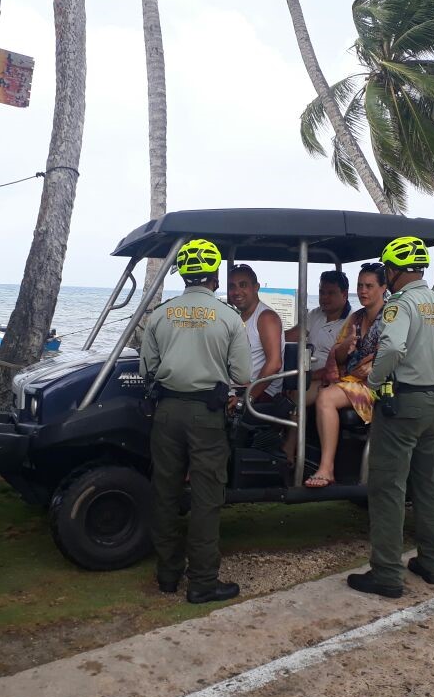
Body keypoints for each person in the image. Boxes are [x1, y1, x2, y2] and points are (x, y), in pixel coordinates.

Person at [347, 237, 434, 598]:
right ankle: (431, 563)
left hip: (401, 404)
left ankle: (387, 575)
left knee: (388, 488)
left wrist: (374, 381)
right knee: (427, 485)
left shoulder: (399, 306)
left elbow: (391, 347)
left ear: (391, 271)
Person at [140, 239, 252, 604]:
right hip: (207, 414)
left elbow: (148, 369)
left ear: (184, 274)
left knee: (165, 493)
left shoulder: (161, 313)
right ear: (215, 276)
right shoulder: (229, 317)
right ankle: (203, 582)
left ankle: (168, 575)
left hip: (167, 411)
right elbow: (243, 374)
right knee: (206, 498)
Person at [304, 263, 387, 488]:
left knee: (326, 397)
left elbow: (396, 353)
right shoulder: (357, 318)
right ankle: (292, 453)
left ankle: (326, 468)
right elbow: (338, 356)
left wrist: (372, 365)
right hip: (350, 380)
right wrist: (347, 345)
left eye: (369, 286)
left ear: (383, 288)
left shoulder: (390, 319)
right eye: (360, 285)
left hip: (377, 385)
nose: (363, 291)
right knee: (302, 392)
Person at [284, 270, 351, 403]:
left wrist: (306, 376)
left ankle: (293, 423)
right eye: (322, 292)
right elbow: (294, 335)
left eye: (331, 293)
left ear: (344, 294)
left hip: (329, 378)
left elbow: (341, 366)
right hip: (306, 373)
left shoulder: (351, 322)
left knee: (297, 397)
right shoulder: (316, 314)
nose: (324, 298)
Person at [226, 264, 283, 402]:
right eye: (232, 286)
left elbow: (274, 364)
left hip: (257, 393)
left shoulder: (266, 318)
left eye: (243, 285)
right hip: (232, 388)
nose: (237, 291)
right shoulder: (236, 317)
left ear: (256, 287)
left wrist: (246, 399)